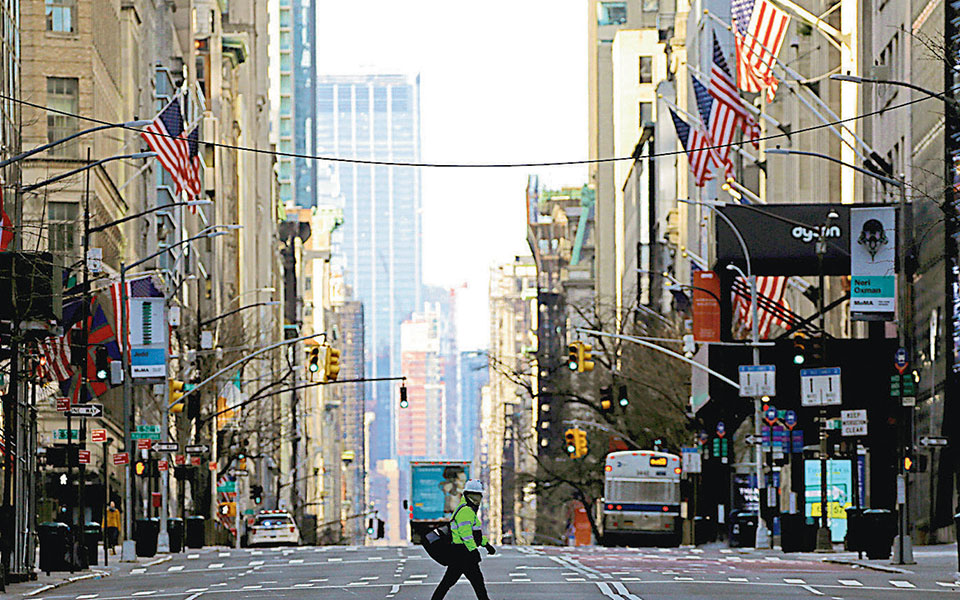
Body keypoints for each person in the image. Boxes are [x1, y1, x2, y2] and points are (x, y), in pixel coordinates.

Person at [431, 479, 496, 600]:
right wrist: (473, 550)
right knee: (477, 583)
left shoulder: (468, 510)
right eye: (475, 495)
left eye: (479, 495)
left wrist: (486, 545)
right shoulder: (466, 511)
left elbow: (475, 534)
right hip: (463, 553)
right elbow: (465, 534)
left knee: (449, 583)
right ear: (468, 495)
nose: (478, 499)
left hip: (460, 554)